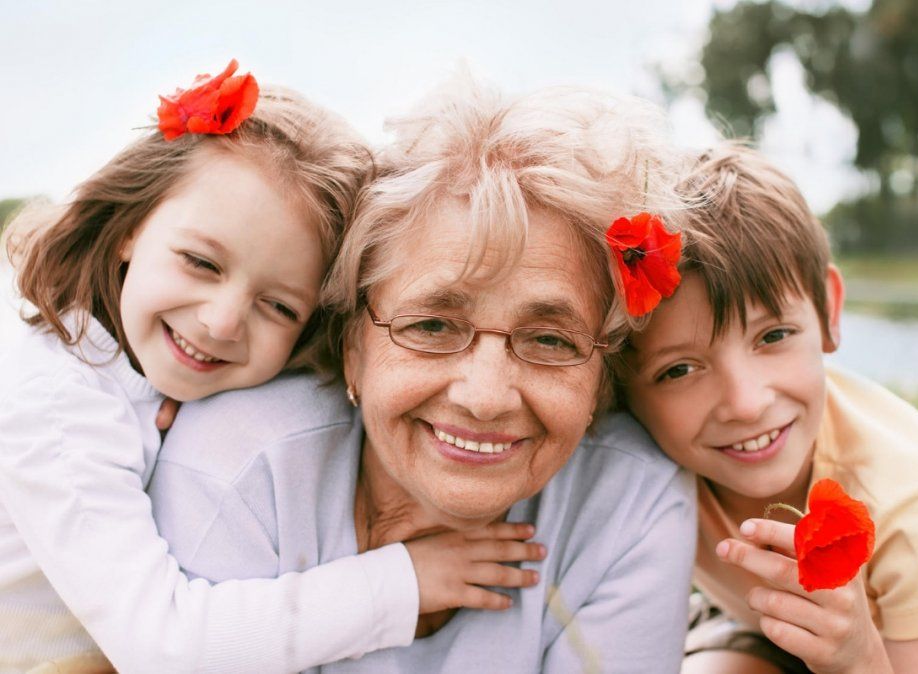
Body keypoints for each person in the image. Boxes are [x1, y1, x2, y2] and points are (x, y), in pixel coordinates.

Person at [0, 62, 542, 674]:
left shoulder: (140, 363)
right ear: (129, 226)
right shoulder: (55, 401)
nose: (224, 322)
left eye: (279, 306)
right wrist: (405, 581)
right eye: (201, 263)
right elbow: (160, 645)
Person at [147, 74, 699, 672]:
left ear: (601, 372)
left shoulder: (630, 502)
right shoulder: (241, 466)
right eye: (433, 326)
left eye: (549, 339)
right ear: (352, 344)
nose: (485, 399)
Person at [621, 143, 918, 674]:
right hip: (759, 617)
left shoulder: (917, 497)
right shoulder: (630, 458)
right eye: (680, 370)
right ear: (619, 386)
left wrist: (857, 658)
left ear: (828, 310)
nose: (746, 403)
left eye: (773, 335)